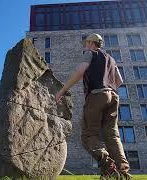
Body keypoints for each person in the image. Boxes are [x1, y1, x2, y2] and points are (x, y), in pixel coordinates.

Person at [55, 33, 132, 180]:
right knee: (112, 135)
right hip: (113, 96)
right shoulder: (111, 59)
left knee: (88, 135)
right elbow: (119, 81)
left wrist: (62, 91)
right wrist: (108, 88)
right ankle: (123, 172)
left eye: (87, 42)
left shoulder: (90, 54)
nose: (86, 45)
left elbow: (80, 72)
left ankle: (108, 167)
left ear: (91, 43)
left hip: (96, 95)